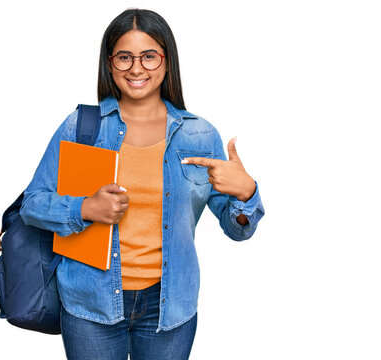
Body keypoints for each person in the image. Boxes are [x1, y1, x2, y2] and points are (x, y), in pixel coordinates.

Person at [19, 8, 265, 360]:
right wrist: (85, 207)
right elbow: (33, 204)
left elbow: (238, 229)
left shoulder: (199, 134)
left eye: (149, 56)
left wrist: (246, 193)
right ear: (110, 63)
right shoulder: (83, 127)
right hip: (91, 302)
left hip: (169, 306)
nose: (136, 69)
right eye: (124, 57)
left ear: (166, 61)